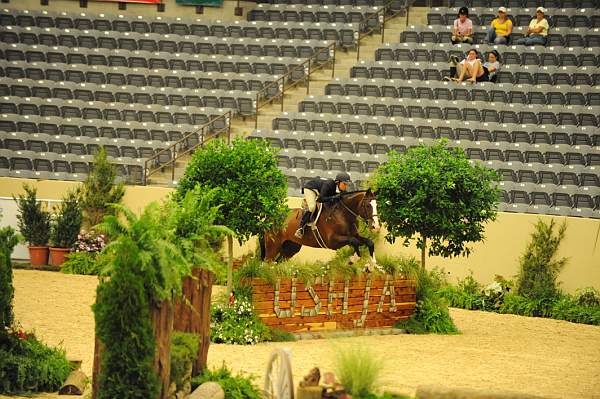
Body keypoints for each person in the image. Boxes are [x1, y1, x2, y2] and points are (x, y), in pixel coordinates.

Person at [295, 172, 351, 238]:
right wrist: (333, 197)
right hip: (311, 188)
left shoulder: (340, 189)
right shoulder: (329, 184)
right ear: (338, 182)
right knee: (312, 207)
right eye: (344, 184)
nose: (346, 186)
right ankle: (301, 228)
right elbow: (320, 199)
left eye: (347, 185)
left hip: (319, 190)